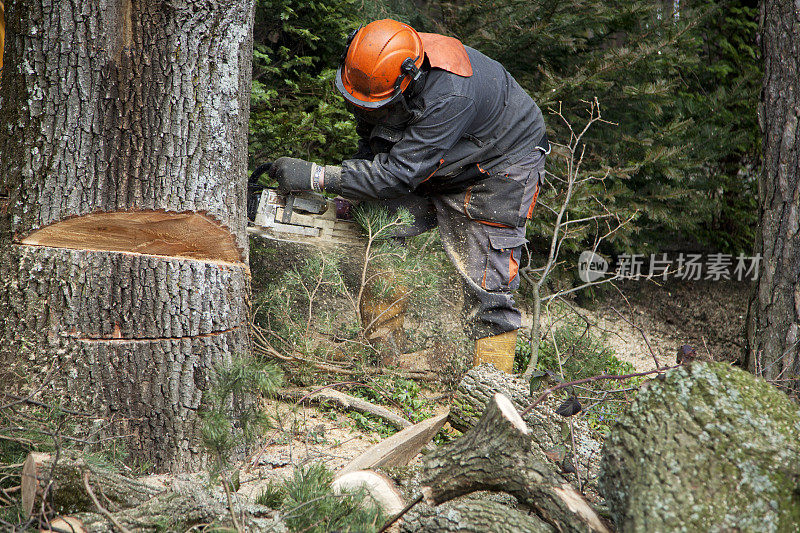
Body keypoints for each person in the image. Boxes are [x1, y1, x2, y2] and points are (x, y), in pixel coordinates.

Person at [270, 19, 548, 373]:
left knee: (488, 283)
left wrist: (319, 176)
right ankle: (384, 354)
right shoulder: (373, 72)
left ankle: (490, 390)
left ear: (410, 79)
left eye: (379, 106)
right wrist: (354, 190)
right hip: (438, 157)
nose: (368, 111)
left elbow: (400, 173)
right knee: (379, 225)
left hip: (500, 166)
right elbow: (376, 143)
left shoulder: (450, 94)